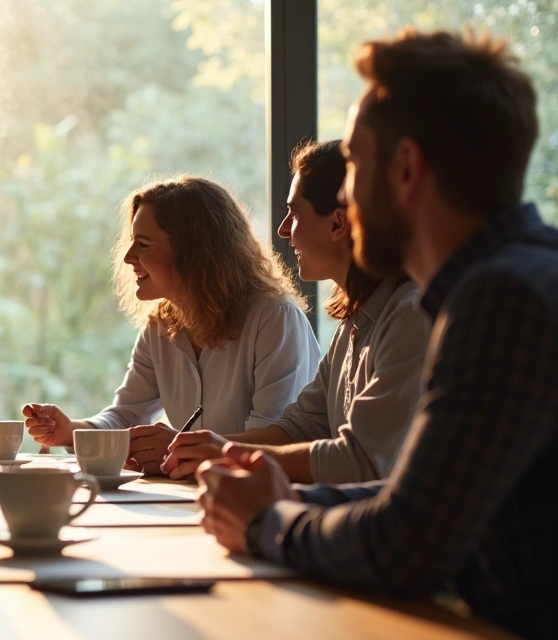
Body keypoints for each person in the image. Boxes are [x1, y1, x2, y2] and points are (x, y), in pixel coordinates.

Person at [196, 29, 556, 639]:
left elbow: (407, 546)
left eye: (356, 163)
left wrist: (268, 524)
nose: (345, 194)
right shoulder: (512, 277)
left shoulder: (502, 299)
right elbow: (420, 499)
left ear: (406, 168)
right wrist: (289, 499)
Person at [160, 141, 430, 482]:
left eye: (295, 214)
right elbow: (302, 426)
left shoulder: (410, 316)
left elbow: (362, 461)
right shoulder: (354, 324)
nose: (283, 230)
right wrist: (202, 449)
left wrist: (223, 453)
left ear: (337, 224)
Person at [24, 176, 321, 474]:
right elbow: (126, 417)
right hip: (198, 493)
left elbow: (276, 441)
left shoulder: (274, 318)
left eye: (143, 244)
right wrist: (70, 431)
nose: (128, 257)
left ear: (194, 251)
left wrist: (177, 446)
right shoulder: (160, 327)